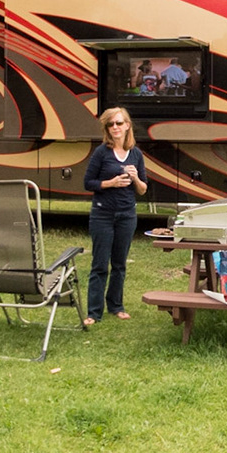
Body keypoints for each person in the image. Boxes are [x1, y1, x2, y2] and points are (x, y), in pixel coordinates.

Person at [82, 107, 147, 326]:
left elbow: (143, 190)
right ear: (107, 129)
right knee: (100, 264)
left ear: (127, 125)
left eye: (119, 123)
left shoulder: (136, 154)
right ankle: (93, 312)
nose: (115, 128)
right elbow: (88, 183)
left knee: (119, 264)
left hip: (127, 215)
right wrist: (110, 183)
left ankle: (116, 306)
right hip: (102, 214)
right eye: (111, 125)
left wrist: (136, 178)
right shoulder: (102, 152)